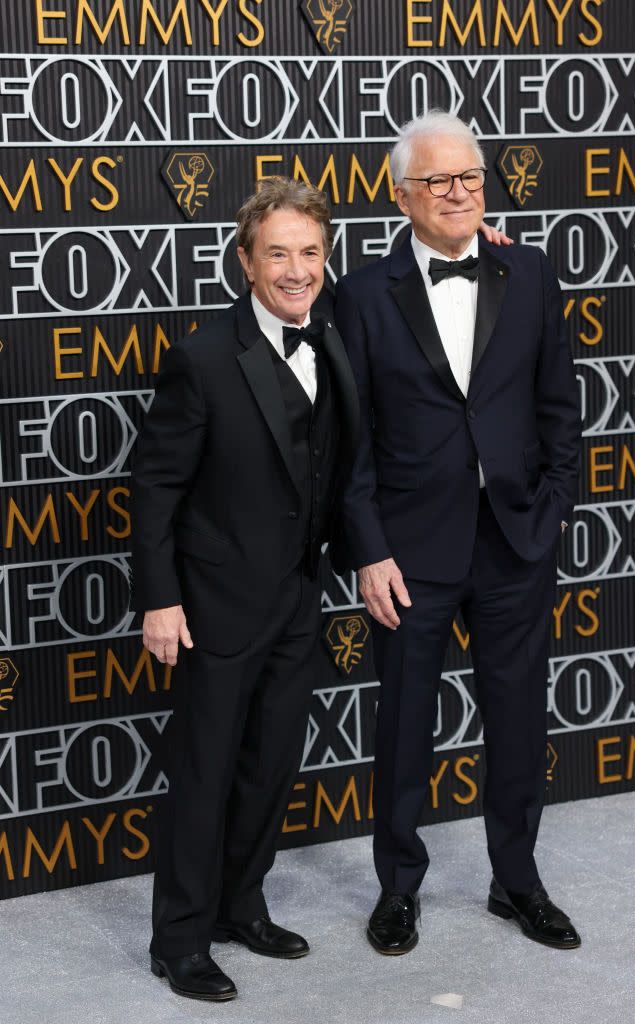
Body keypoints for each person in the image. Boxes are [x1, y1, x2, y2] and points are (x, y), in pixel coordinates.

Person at [335, 111, 583, 956]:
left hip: (515, 538)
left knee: (519, 719)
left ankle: (517, 882)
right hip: (408, 552)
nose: (457, 193)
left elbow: (558, 404)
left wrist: (552, 506)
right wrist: (368, 547)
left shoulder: (532, 271)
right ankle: (397, 889)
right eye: (437, 181)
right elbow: (350, 438)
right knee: (405, 724)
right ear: (401, 196)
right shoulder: (360, 294)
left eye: (469, 177)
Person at [129, 178, 361, 1001]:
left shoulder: (333, 334)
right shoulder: (201, 356)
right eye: (278, 254)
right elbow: (154, 486)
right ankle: (179, 940)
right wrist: (160, 599)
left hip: (299, 595)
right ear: (244, 262)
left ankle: (240, 904)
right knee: (204, 773)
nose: (296, 269)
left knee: (270, 767)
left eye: (309, 253)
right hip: (214, 604)